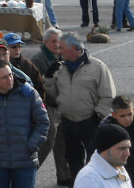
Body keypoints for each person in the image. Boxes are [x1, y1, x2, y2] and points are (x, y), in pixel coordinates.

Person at [44, 32, 116, 183]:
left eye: (62, 48)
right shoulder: (60, 68)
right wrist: (49, 78)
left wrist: (98, 116)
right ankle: (78, 183)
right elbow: (53, 94)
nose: (59, 51)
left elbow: (108, 95)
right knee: (73, 160)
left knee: (94, 160)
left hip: (90, 122)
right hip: (68, 123)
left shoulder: (97, 67)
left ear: (74, 49)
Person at [0, 60, 49, 188]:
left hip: (25, 163)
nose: (10, 79)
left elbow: (43, 122)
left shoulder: (29, 94)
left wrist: (31, 145)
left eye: (10, 75)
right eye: (4, 77)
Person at [30, 27, 71, 186]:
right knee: (49, 138)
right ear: (45, 42)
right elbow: (37, 87)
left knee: (63, 140)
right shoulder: (39, 60)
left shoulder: (63, 57)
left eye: (58, 41)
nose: (56, 44)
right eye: (53, 41)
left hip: (62, 105)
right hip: (47, 104)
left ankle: (64, 174)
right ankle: (30, 170)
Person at [74, 123, 131, 188]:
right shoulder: (89, 178)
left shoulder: (120, 170)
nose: (127, 154)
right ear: (105, 149)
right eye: (122, 148)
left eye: (128, 148)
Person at [101, 95, 134, 181]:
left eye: (130, 114)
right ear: (114, 115)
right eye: (122, 116)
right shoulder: (107, 129)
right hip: (116, 173)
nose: (127, 119)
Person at [4, 32, 44, 98]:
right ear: (5, 48)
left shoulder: (28, 65)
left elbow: (39, 88)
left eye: (19, 46)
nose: (17, 49)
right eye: (14, 47)